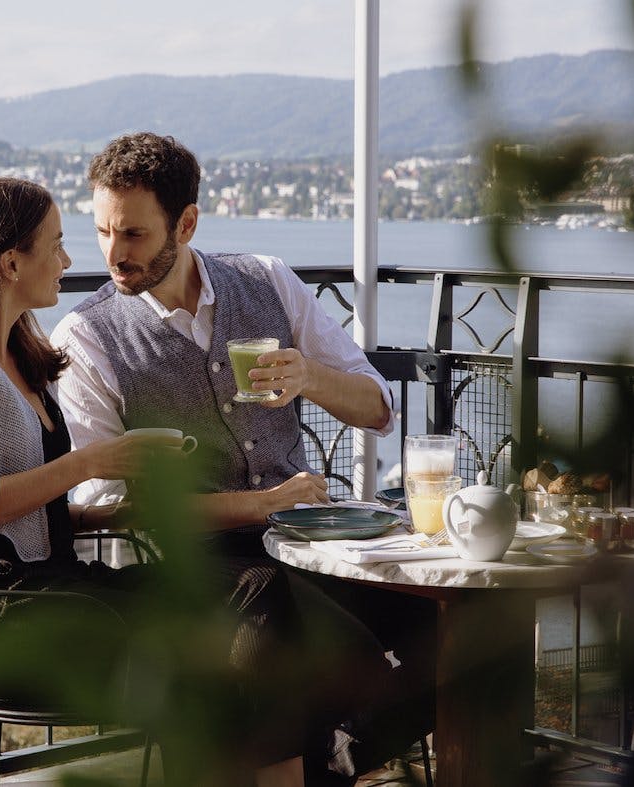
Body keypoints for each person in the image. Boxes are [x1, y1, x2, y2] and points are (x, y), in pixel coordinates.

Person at [0, 176, 402, 787]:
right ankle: (309, 760)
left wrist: (129, 497)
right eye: (59, 243)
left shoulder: (18, 346)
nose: (73, 260)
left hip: (57, 589)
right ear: (11, 262)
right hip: (0, 617)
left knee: (254, 601)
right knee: (254, 607)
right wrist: (92, 463)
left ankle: (292, 768)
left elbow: (42, 515)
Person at [50, 132, 436, 782]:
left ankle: (329, 764)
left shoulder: (266, 280)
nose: (114, 254)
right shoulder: (86, 337)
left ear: (186, 223)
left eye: (134, 234)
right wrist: (258, 505)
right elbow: (106, 504)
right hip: (201, 567)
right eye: (103, 232)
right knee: (289, 628)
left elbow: (376, 408)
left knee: (447, 623)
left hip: (311, 544)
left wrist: (309, 375)